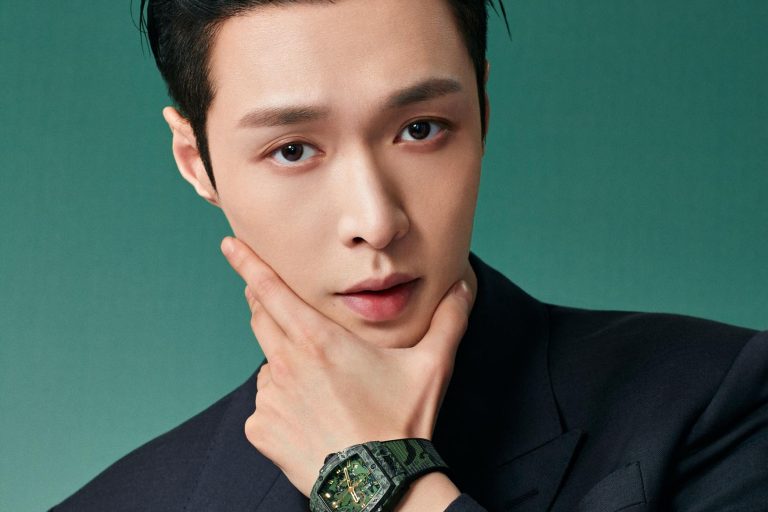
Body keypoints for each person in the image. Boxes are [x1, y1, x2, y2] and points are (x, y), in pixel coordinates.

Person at [51, 0, 768, 510]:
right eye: (292, 149)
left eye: (420, 128)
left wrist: (381, 484)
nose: (375, 221)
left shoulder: (718, 401)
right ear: (196, 163)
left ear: (482, 112)